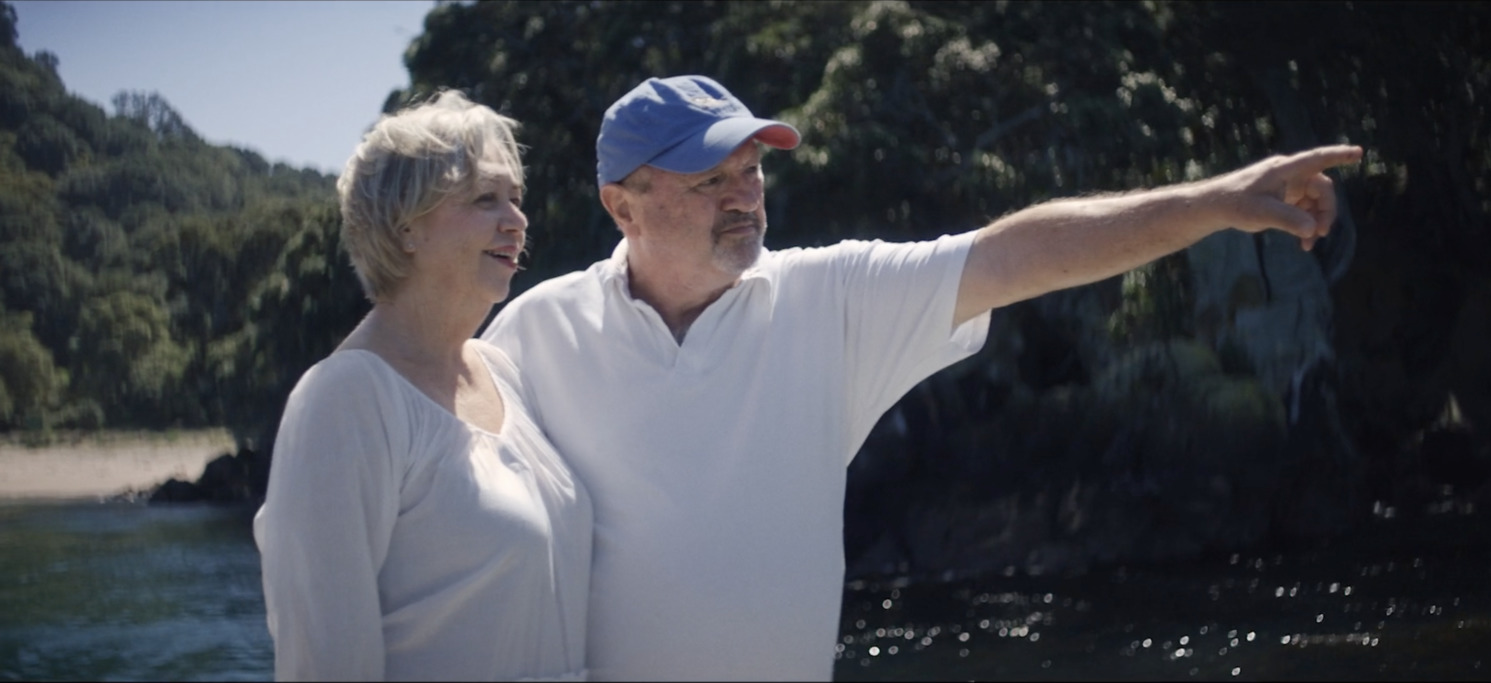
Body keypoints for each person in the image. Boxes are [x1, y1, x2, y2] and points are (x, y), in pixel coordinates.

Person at [481, 74, 1362, 681]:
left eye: (751, 170)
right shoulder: (532, 334)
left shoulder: (827, 300)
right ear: (620, 204)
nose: (743, 196)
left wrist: (1217, 199)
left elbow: (1021, 254)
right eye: (710, 177)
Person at [253, 90, 592, 682]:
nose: (516, 220)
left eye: (516, 197)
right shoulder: (345, 400)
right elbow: (325, 663)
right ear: (406, 228)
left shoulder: (503, 371)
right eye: (485, 199)